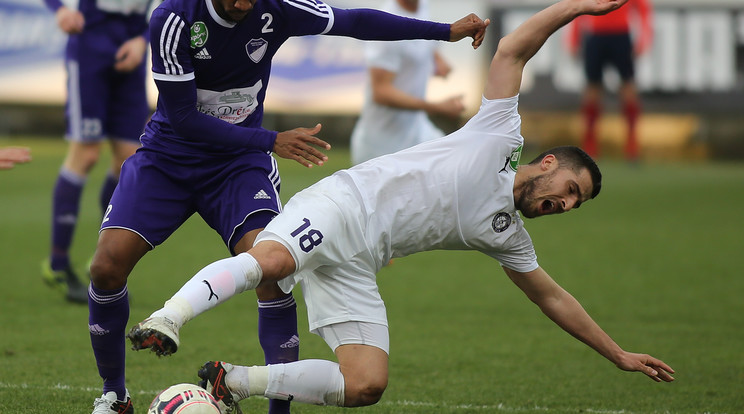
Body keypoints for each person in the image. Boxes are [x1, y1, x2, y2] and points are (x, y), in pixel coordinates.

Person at [129, 0, 675, 411]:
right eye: (572, 190)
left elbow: (553, 299)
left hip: (362, 259)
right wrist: (581, 7)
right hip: (342, 205)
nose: (566, 205)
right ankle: (168, 318)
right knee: (272, 262)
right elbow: (513, 49)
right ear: (551, 163)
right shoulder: (499, 134)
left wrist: (618, 354)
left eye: (575, 206)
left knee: (366, 384)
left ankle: (233, 382)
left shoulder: (508, 233)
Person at [86, 0, 489, 412]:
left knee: (274, 269)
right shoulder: (173, 18)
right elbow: (185, 118)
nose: (245, 3)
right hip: (169, 159)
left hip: (237, 166)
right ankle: (115, 395)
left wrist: (444, 31)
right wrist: (271, 140)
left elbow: (354, 20)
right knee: (106, 266)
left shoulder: (275, 8)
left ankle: (279, 408)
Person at [41, 0, 152, 304]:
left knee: (130, 160)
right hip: (91, 40)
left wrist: (144, 40)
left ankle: (101, 257)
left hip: (132, 41)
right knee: (86, 154)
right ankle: (58, 263)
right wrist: (60, 10)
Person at [350, 0, 465, 165]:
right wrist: (437, 108)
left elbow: (424, 37)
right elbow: (381, 92)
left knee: (459, 167)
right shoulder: (386, 25)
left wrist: (437, 59)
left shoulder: (421, 6)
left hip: (418, 133)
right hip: (381, 147)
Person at [566, 0, 653, 161]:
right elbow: (578, 6)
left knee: (627, 86)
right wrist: (574, 37)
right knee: (593, 88)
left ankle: (632, 146)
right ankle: (590, 146)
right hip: (596, 34)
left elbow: (642, 8)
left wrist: (644, 38)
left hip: (620, 33)